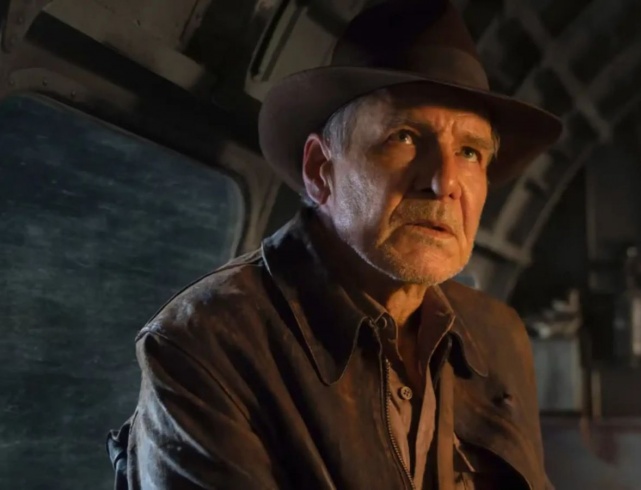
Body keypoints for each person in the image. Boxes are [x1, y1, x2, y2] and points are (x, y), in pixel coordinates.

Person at [107, 0, 562, 488]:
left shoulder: (497, 333)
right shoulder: (207, 344)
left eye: (469, 152)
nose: (444, 182)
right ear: (321, 170)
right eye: (405, 137)